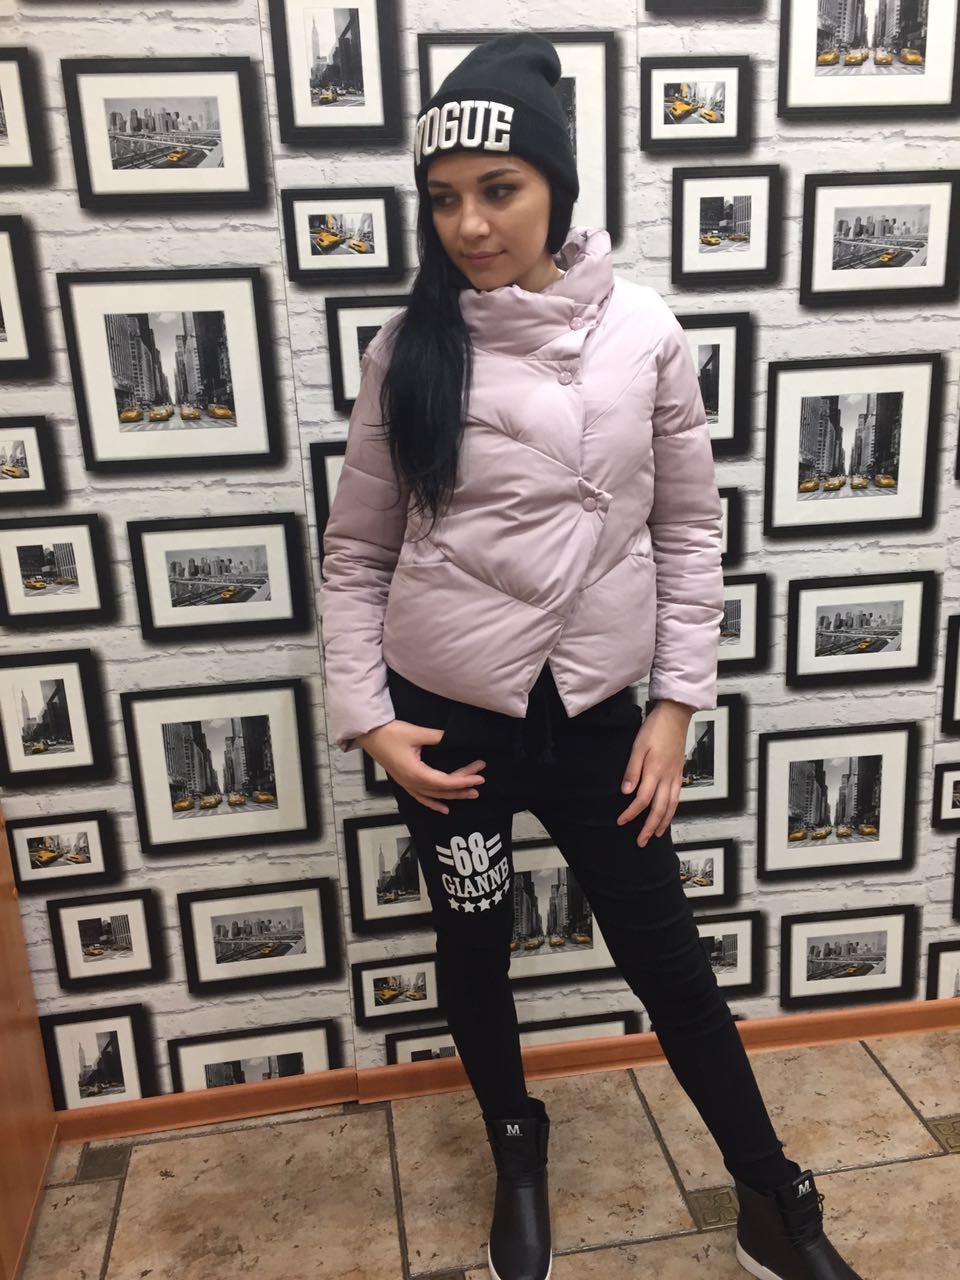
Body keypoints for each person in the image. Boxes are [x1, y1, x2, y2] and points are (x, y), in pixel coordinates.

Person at [320, 32, 862, 1280]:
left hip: (597, 716)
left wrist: (676, 704)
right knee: (474, 942)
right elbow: (356, 553)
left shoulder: (644, 332)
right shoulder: (408, 347)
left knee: (667, 956)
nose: (469, 224)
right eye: (443, 198)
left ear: (557, 185)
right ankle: (516, 1141)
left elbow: (688, 529)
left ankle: (771, 1197)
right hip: (445, 724)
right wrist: (370, 717)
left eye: (498, 189)